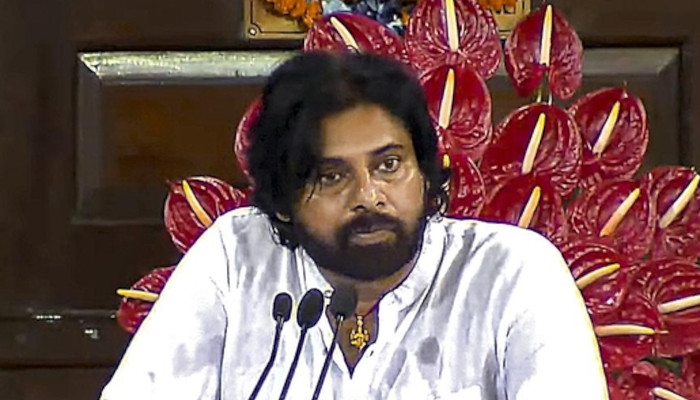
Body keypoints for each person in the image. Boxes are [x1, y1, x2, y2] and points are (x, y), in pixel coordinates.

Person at [100, 51, 609, 400]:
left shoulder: (513, 271)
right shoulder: (236, 257)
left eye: (389, 165)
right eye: (331, 176)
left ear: (426, 172)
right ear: (283, 201)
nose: (368, 196)